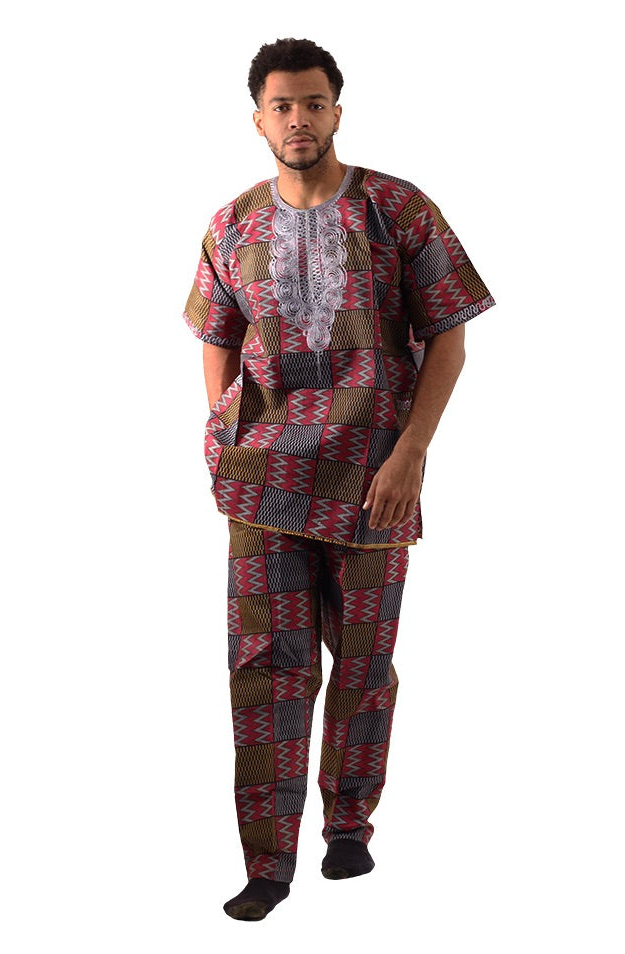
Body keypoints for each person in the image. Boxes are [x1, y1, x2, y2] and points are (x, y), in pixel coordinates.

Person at [182, 37, 496, 920]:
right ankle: (267, 864)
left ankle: (348, 825)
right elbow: (217, 337)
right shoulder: (232, 225)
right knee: (264, 667)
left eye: (313, 103)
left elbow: (449, 335)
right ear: (258, 120)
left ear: (336, 112)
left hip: (372, 478)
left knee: (363, 661)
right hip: (262, 484)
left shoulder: (398, 209)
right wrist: (226, 437)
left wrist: (411, 453)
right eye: (281, 105)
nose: (298, 119)